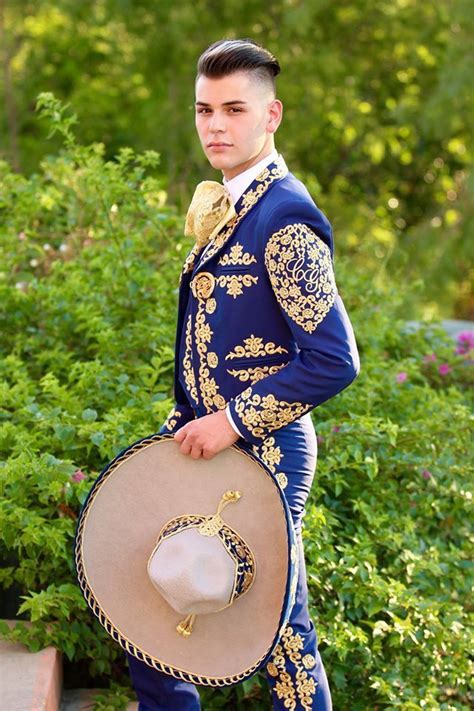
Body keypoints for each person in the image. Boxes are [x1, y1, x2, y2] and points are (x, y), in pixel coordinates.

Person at [126, 38, 360, 710]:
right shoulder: (233, 203)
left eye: (234, 108)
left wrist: (229, 421)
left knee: (279, 634)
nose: (216, 125)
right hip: (199, 445)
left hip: (264, 454)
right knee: (146, 601)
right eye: (204, 110)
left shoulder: (283, 214)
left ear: (272, 115)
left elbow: (334, 358)